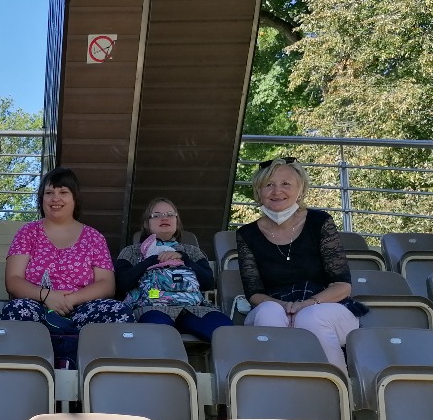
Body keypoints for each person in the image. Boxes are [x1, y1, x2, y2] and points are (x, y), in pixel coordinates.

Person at [236, 157, 361, 371]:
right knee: (268, 312)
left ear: (300, 190)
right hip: (278, 305)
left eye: (286, 184)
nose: (277, 191)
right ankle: (277, 381)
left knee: (311, 318)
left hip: (325, 306)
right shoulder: (246, 234)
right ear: (258, 192)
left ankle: (336, 383)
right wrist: (285, 307)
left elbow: (342, 286)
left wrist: (307, 304)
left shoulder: (319, 222)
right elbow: (254, 293)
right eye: (269, 184)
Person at [0, 167, 132, 366]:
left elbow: (107, 284)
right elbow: (13, 280)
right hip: (38, 307)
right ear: (41, 198)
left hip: (82, 308)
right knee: (15, 310)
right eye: (49, 193)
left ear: (75, 198)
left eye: (63, 192)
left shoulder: (94, 237)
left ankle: (94, 375)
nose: (55, 198)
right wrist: (47, 296)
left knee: (118, 311)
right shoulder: (27, 233)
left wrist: (70, 300)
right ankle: (30, 374)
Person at [115, 197, 232, 341]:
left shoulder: (192, 251)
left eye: (170, 214)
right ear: (146, 223)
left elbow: (208, 283)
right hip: (152, 307)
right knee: (158, 334)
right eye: (156, 215)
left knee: (224, 331)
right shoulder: (132, 252)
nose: (164, 218)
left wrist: (185, 259)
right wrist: (152, 260)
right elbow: (121, 285)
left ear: (177, 221)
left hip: (194, 308)